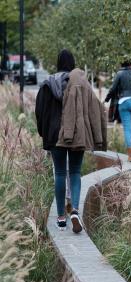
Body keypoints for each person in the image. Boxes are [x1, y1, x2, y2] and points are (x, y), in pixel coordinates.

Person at [35, 49, 107, 233]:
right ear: (73, 63)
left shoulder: (47, 84)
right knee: (75, 172)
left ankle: (60, 218)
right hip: (76, 134)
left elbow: (40, 111)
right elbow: (93, 108)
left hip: (54, 135)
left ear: (58, 63)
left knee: (59, 173)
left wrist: (43, 133)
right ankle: (74, 209)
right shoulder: (81, 83)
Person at [105, 60, 131, 162]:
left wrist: (107, 99)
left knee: (127, 129)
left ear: (121, 64)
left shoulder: (119, 74)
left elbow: (113, 89)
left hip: (124, 102)